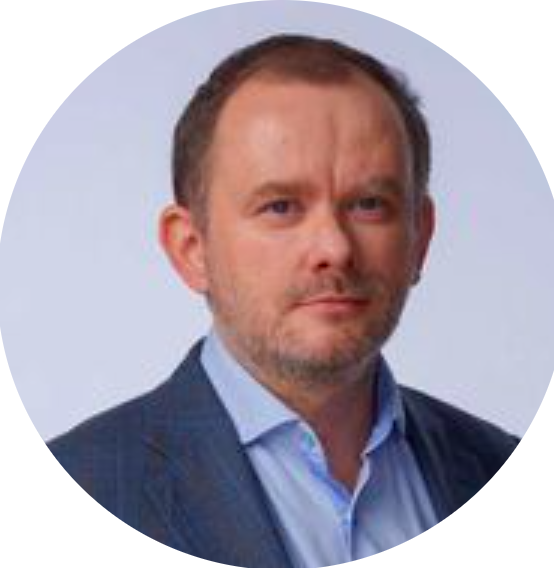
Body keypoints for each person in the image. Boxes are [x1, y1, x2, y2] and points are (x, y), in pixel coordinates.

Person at [48, 35, 518, 568]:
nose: (334, 248)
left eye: (369, 204)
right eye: (280, 207)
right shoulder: (70, 496)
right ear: (191, 249)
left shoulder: (503, 470)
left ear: (420, 237)